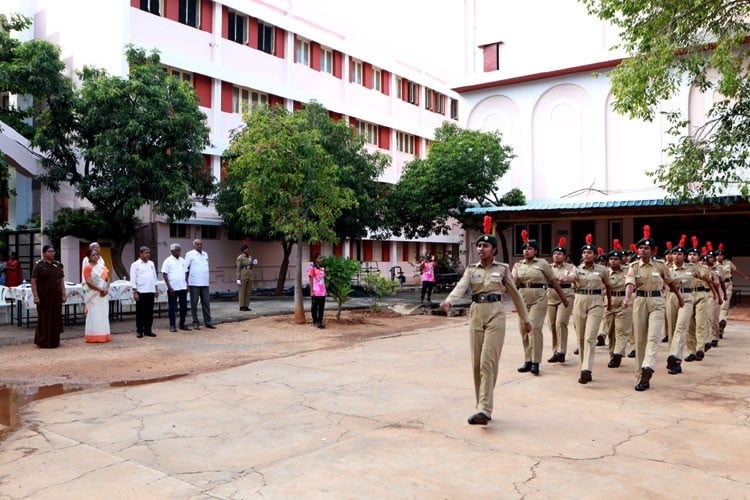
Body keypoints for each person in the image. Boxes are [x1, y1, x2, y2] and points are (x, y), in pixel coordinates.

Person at [440, 217, 531, 426]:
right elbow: (461, 287)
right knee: (476, 364)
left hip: (495, 314)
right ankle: (480, 405)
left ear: (494, 250)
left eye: (485, 246)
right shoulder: (471, 269)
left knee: (487, 362)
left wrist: (525, 318)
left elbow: (516, 296)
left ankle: (485, 408)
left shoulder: (503, 269)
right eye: (479, 245)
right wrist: (449, 302)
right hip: (476, 313)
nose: (481, 249)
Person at [623, 226, 683, 392]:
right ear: (637, 250)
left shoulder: (660, 265)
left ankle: (648, 367)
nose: (643, 250)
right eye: (641, 248)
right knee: (640, 340)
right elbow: (630, 283)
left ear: (653, 250)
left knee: (654, 337)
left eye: (646, 248)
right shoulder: (634, 266)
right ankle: (641, 376)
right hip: (640, 301)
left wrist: (679, 297)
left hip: (657, 301)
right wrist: (627, 297)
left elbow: (670, 282)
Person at [512, 229, 569, 376]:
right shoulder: (518, 265)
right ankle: (528, 360)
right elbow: (512, 283)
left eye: (530, 248)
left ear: (535, 251)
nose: (526, 251)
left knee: (534, 328)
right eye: (524, 248)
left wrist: (564, 298)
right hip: (523, 299)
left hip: (539, 298)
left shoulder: (543, 263)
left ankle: (536, 362)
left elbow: (553, 282)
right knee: (524, 329)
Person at [571, 235, 612, 384]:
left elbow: (608, 286)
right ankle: (583, 367)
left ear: (595, 255)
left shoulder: (602, 270)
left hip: (596, 302)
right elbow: (571, 277)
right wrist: (564, 278)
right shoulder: (576, 269)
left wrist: (610, 303)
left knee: (590, 337)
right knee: (581, 337)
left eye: (589, 252)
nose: (586, 255)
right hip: (580, 300)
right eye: (584, 253)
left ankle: (587, 369)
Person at [602, 240, 632, 369]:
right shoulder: (604, 272)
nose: (614, 261)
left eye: (616, 259)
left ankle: (618, 353)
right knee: (611, 331)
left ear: (621, 260)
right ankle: (612, 354)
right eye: (611, 259)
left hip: (623, 302)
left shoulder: (628, 270)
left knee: (622, 330)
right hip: (609, 302)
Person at [546, 237, 576, 364]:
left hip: (566, 296)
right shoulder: (548, 267)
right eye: (554, 254)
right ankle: (555, 351)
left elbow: (572, 278)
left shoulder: (571, 267)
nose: (556, 256)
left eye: (559, 254)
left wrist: (564, 279)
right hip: (551, 296)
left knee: (561, 323)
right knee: (552, 325)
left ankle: (562, 351)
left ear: (565, 256)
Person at [30, 245, 66, 349]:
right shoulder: (39, 265)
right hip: (44, 296)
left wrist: (63, 293)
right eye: (49, 251)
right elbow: (33, 280)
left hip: (56, 296)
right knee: (44, 318)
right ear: (44, 253)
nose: (52, 253)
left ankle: (54, 341)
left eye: (53, 251)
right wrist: (36, 296)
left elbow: (61, 280)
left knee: (55, 318)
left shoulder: (57, 265)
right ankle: (43, 341)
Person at [715, 243, 748, 337]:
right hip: (717, 286)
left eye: (721, 255)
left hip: (727, 285)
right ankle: (717, 324)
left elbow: (735, 270)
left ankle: (722, 322)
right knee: (717, 305)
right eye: (718, 255)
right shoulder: (713, 264)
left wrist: (744, 276)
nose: (719, 256)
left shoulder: (728, 263)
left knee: (725, 305)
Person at [129, 246, 159, 339]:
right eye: (146, 253)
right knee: (140, 312)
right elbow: (133, 279)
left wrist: (156, 288)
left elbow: (154, 276)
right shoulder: (135, 264)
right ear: (140, 254)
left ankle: (148, 330)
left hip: (150, 290)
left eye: (149, 253)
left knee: (149, 312)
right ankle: (139, 331)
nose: (148, 255)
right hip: (140, 291)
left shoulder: (151, 263)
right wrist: (135, 292)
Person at [185, 238, 215, 329]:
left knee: (206, 302)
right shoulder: (189, 254)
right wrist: (186, 282)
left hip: (205, 282)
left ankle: (208, 321)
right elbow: (185, 269)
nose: (199, 245)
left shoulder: (205, 254)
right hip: (194, 283)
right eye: (197, 244)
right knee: (194, 303)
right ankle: (195, 322)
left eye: (201, 244)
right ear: (194, 245)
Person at [82, 248, 111, 343]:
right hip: (93, 293)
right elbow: (89, 282)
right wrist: (100, 289)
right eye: (93, 255)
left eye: (97, 255)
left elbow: (107, 278)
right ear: (89, 257)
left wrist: (106, 288)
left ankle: (104, 334)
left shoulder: (102, 267)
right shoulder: (87, 267)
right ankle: (93, 335)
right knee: (94, 313)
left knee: (103, 312)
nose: (96, 257)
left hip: (103, 294)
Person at [162, 243, 190, 332]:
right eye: (177, 250)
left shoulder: (182, 260)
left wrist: (187, 284)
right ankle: (172, 325)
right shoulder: (167, 261)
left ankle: (182, 324)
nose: (179, 252)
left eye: (179, 250)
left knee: (184, 307)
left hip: (182, 287)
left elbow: (186, 272)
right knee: (172, 308)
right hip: (172, 288)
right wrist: (169, 287)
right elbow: (164, 274)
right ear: (172, 251)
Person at [308, 253, 327, 328]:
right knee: (315, 306)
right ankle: (315, 321)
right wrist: (311, 290)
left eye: (321, 258)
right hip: (316, 290)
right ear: (315, 259)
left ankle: (320, 321)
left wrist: (325, 290)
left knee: (322, 306)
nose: (321, 259)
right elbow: (311, 279)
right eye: (319, 258)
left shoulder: (322, 268)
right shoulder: (312, 267)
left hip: (322, 291)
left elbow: (323, 279)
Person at [235, 244, 255, 311]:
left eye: (247, 249)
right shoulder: (240, 257)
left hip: (249, 274)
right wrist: (238, 278)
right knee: (242, 291)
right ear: (243, 250)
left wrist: (253, 263)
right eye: (246, 249)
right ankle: (241, 306)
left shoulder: (250, 256)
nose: (247, 250)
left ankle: (246, 306)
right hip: (243, 274)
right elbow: (238, 268)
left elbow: (251, 266)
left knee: (248, 291)